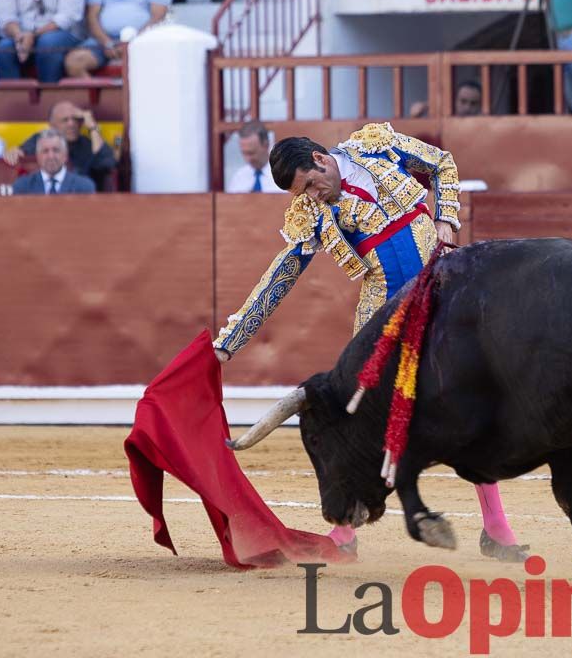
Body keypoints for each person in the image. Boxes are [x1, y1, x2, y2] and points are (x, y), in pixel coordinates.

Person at [213, 122, 527, 562]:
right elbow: (280, 277)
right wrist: (228, 343)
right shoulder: (313, 215)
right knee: (362, 421)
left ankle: (496, 527)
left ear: (321, 160)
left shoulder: (376, 148)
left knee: (469, 403)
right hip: (381, 320)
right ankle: (343, 532)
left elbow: (442, 163)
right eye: (301, 194)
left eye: (309, 185)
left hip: (441, 297)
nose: (310, 197)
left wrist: (446, 218)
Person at [6, 101, 117, 189]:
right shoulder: (42, 140)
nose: (71, 124)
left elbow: (108, 162)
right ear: (52, 125)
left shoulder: (86, 144)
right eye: (65, 120)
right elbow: (18, 152)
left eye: (75, 119)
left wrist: (92, 127)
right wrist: (14, 151)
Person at [12, 129, 98, 194]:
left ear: (65, 155)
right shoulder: (22, 186)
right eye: (45, 151)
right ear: (37, 156)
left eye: (56, 150)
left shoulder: (84, 186)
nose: (51, 156)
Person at [224, 120, 283, 193]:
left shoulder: (284, 174)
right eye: (244, 153)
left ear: (266, 145)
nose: (247, 159)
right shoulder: (239, 177)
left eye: (251, 153)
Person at [406, 80, 484, 118]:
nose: (467, 108)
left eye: (473, 103)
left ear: (480, 105)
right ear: (455, 101)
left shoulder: (485, 127)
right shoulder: (443, 123)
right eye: (463, 101)